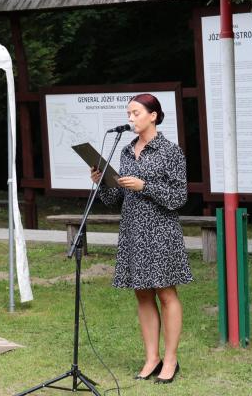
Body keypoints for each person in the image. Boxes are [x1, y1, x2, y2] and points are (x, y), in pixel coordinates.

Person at [90, 93, 192, 384]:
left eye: (136, 113)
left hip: (161, 231)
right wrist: (102, 182)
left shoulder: (171, 151)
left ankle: (170, 360)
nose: (130, 118)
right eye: (128, 114)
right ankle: (151, 358)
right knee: (142, 293)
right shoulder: (125, 151)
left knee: (166, 293)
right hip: (133, 230)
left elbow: (179, 197)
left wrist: (144, 186)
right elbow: (115, 199)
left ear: (153, 116)